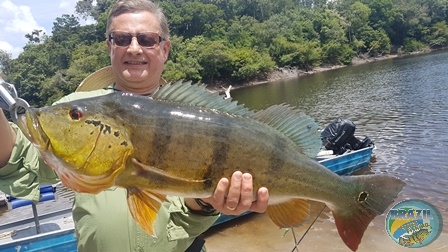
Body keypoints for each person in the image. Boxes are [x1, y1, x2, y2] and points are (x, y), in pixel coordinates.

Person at [0, 0, 269, 251]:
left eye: (147, 39)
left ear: (164, 49)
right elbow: (18, 160)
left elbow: (190, 213)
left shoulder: (199, 116)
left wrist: (207, 202)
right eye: (121, 38)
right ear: (109, 46)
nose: (134, 48)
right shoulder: (75, 107)